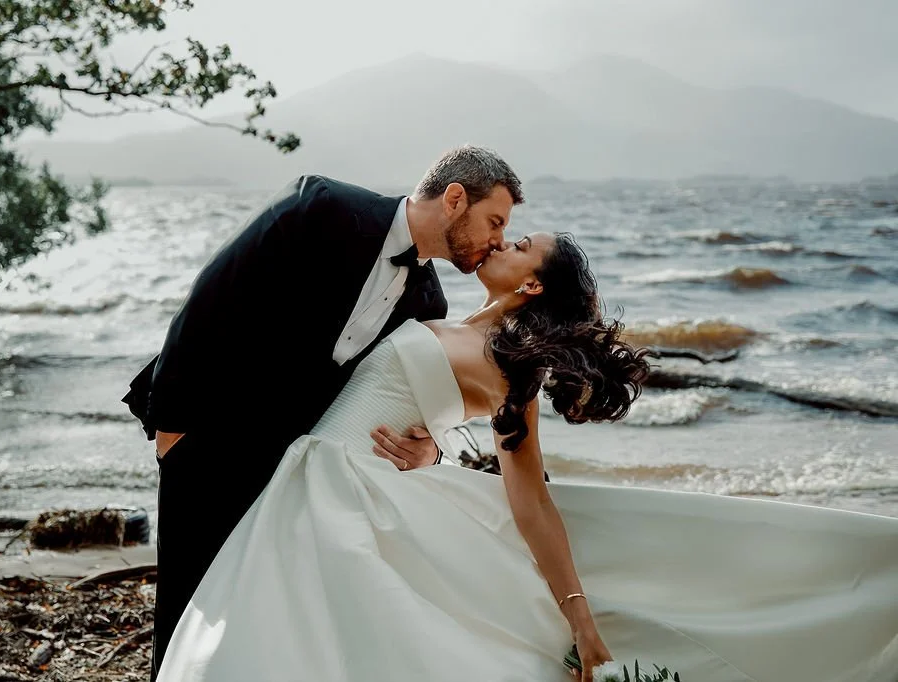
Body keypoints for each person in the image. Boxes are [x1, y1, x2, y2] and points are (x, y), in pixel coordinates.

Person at [157, 232, 898, 681]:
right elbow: (419, 404)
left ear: (533, 282)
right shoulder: (438, 311)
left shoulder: (511, 367)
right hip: (317, 479)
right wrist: (438, 448)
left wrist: (579, 618)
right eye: (503, 231)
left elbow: (530, 496)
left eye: (516, 244)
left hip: (342, 494)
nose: (500, 243)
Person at [121, 145, 525, 678]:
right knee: (187, 604)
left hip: (292, 469)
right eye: (495, 221)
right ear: (454, 199)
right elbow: (210, 301)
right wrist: (171, 425)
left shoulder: (429, 304)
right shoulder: (321, 207)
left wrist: (431, 446)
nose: (498, 239)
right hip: (208, 439)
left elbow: (390, 390)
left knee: (253, 611)